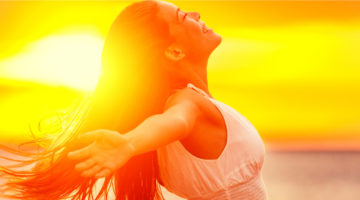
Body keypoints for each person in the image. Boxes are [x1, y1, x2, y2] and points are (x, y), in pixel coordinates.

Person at [0, 0, 266, 199]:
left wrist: (129, 143)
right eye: (183, 16)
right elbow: (175, 121)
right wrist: (128, 143)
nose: (196, 15)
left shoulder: (169, 116)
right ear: (174, 51)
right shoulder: (187, 104)